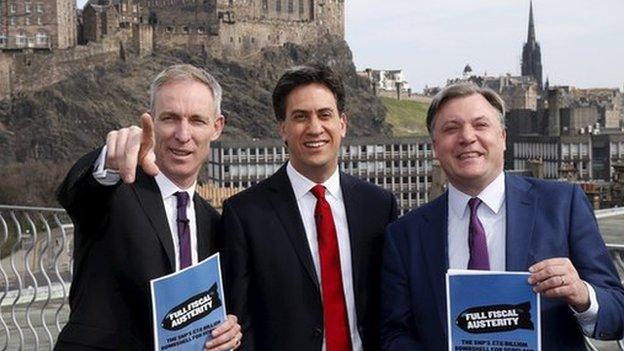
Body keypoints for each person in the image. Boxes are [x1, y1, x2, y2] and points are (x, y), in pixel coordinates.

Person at [380, 83, 624, 350]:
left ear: (503, 138)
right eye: (451, 128)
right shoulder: (405, 234)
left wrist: (582, 295)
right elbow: (395, 333)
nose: (467, 137)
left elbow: (617, 311)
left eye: (480, 125)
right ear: (435, 147)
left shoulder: (563, 206)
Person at [55, 64, 241, 351]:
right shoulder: (115, 190)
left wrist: (229, 330)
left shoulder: (215, 223)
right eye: (169, 118)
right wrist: (109, 161)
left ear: (217, 127)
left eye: (197, 121)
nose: (182, 134)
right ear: (150, 121)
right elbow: (77, 194)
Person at [221, 63, 398, 351]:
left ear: (342, 123)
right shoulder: (245, 214)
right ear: (283, 129)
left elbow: (391, 304)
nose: (315, 128)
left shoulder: (378, 205)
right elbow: (241, 320)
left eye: (325, 115)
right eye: (300, 117)